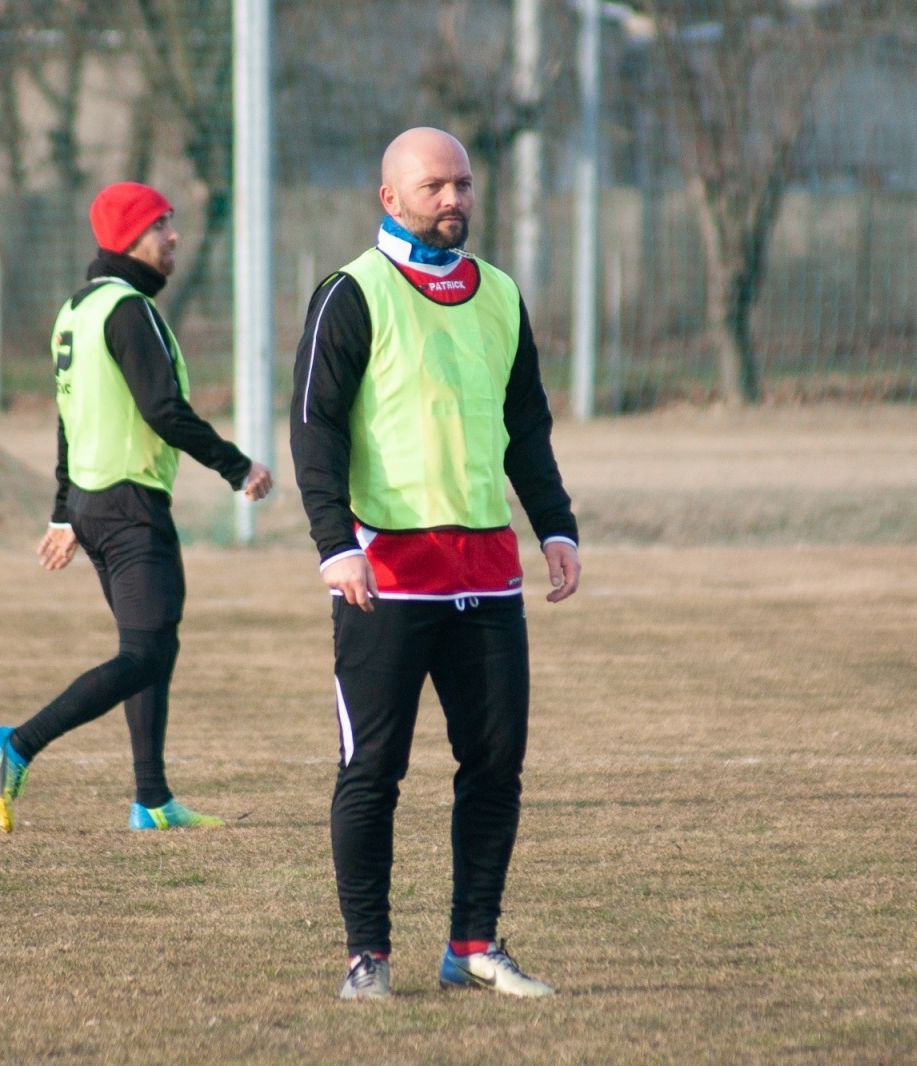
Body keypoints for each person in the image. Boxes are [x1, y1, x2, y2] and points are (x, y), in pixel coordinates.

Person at [290, 128, 580, 1000]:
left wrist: (555, 526)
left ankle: (473, 946)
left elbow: (526, 425)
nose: (451, 200)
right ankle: (366, 957)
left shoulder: (498, 293)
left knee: (494, 766)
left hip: (488, 571)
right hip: (387, 574)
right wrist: (334, 543)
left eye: (461, 184)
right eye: (432, 187)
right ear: (391, 199)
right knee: (372, 769)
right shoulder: (352, 293)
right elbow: (315, 427)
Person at [0, 181, 273, 834]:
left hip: (94, 504)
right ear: (131, 239)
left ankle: (153, 800)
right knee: (144, 653)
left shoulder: (76, 310)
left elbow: (69, 419)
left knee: (150, 647)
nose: (173, 237)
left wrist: (64, 511)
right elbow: (163, 410)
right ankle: (18, 743)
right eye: (162, 225)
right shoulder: (128, 310)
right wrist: (237, 466)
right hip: (130, 506)